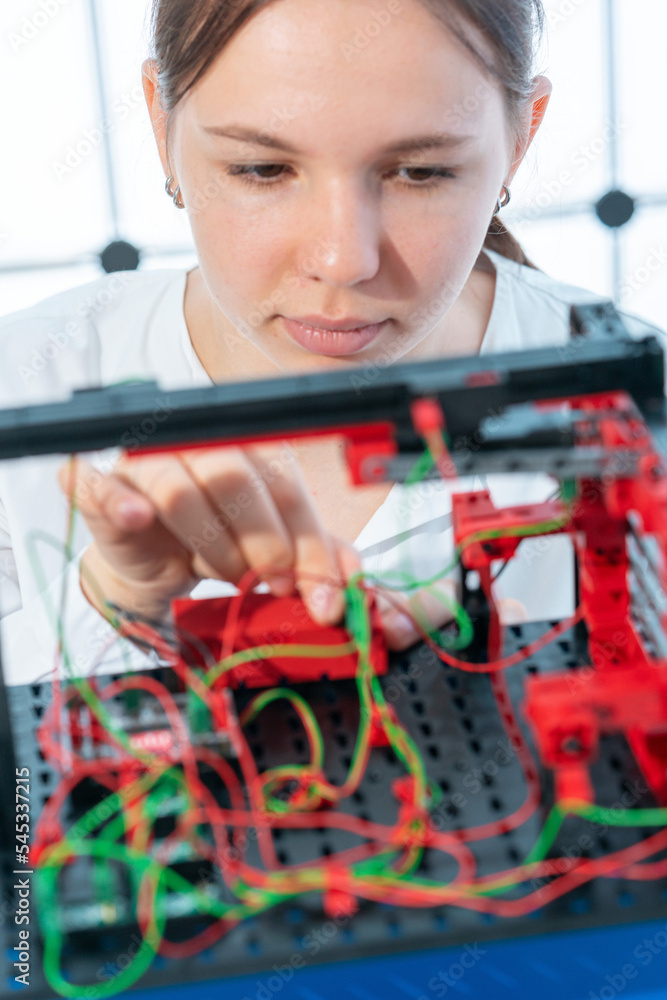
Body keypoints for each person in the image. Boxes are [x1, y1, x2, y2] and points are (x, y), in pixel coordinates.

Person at [0, 0, 652, 686]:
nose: (342, 260)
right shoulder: (21, 379)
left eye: (420, 172)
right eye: (261, 170)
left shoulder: (640, 396)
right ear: (161, 124)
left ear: (521, 139)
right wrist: (110, 602)